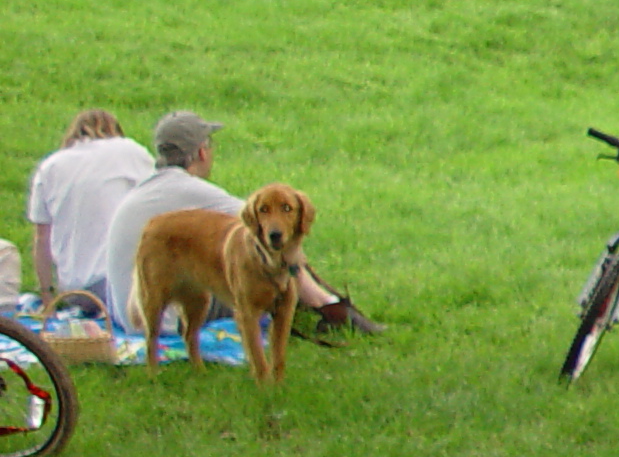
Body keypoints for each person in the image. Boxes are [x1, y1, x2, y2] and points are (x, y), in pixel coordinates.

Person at [102, 112, 382, 340]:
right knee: (269, 260)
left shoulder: (143, 190)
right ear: (201, 152)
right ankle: (330, 309)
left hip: (126, 315)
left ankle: (324, 306)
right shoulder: (191, 191)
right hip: (163, 320)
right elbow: (268, 231)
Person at [26, 109, 153, 312]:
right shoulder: (130, 152)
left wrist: (47, 294)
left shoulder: (50, 166)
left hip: (75, 292)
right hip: (118, 286)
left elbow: (41, 238)